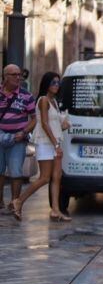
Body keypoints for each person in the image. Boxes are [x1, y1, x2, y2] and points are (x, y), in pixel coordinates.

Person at [11, 72, 70, 221]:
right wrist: (56, 144)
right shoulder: (43, 100)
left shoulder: (54, 102)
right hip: (46, 143)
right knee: (44, 178)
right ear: (46, 84)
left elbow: (53, 124)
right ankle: (19, 201)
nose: (56, 85)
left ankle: (55, 210)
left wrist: (63, 126)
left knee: (57, 177)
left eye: (58, 83)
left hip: (55, 142)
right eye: (53, 82)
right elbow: (43, 123)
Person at [0, 64, 36, 214]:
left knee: (16, 172)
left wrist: (24, 132)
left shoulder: (27, 96)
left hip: (18, 139)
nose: (18, 77)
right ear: (5, 77)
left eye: (19, 74)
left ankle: (15, 203)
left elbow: (34, 119)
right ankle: (0, 201)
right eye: (14, 74)